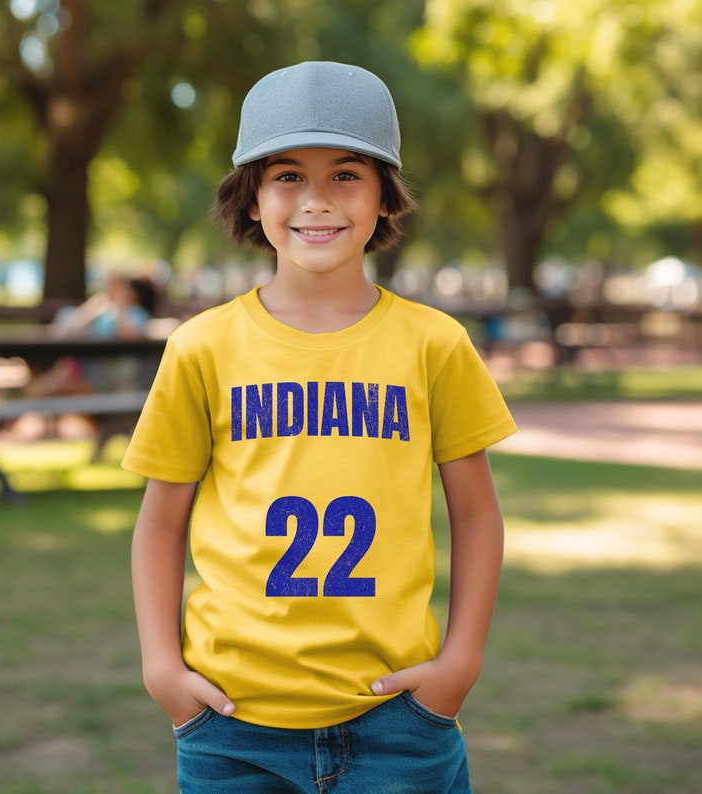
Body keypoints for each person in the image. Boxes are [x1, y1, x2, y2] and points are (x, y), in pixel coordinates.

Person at [123, 61, 517, 793]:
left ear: (383, 196)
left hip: (399, 719)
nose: (316, 201)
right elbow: (160, 524)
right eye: (286, 176)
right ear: (251, 198)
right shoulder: (201, 348)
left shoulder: (434, 344)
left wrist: (458, 666)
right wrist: (162, 669)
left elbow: (475, 510)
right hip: (231, 721)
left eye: (345, 175)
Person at [26, 272, 157, 397]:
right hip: (86, 370)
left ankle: (26, 398)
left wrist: (121, 305)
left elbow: (131, 336)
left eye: (124, 288)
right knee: (61, 377)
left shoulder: (137, 314)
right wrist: (97, 304)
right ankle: (28, 397)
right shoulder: (108, 311)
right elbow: (66, 329)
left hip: (108, 381)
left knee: (56, 386)